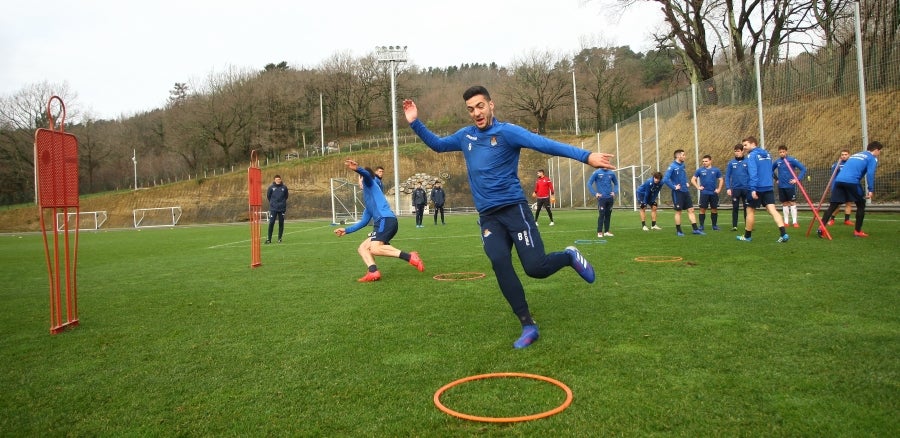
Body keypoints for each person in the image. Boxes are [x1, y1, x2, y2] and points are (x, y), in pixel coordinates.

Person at [403, 86, 610, 349]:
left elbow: (545, 145)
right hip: (488, 217)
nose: (476, 113)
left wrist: (586, 156)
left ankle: (569, 256)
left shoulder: (507, 132)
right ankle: (527, 324)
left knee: (535, 268)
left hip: (515, 210)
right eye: (470, 109)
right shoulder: (465, 136)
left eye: (480, 106)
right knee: (499, 262)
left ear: (491, 105)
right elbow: (438, 144)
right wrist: (415, 122)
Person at [333, 159, 425, 281]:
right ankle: (373, 272)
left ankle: (409, 257)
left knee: (375, 248)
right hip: (383, 223)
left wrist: (357, 169)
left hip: (385, 220)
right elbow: (364, 222)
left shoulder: (370, 183)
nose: (359, 181)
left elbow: (367, 175)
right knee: (363, 248)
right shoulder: (368, 199)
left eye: (359, 178)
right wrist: (346, 230)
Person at [818, 141, 883, 238]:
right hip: (852, 182)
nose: (880, 153)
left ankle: (821, 228)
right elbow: (870, 174)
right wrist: (870, 189)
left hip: (839, 181)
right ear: (876, 150)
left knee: (833, 206)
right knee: (861, 204)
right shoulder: (872, 158)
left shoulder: (856, 155)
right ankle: (857, 231)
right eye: (880, 151)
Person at [738, 136, 789, 243]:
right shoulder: (768, 154)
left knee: (750, 210)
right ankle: (784, 233)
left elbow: (753, 173)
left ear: (753, 144)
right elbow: (770, 170)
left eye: (745, 145)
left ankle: (747, 236)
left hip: (757, 187)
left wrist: (753, 189)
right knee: (772, 210)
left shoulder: (752, 155)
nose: (744, 148)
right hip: (768, 187)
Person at [662, 149, 704, 236]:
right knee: (678, 211)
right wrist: (674, 187)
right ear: (678, 156)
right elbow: (665, 179)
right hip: (678, 193)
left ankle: (695, 229)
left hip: (685, 191)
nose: (685, 156)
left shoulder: (683, 165)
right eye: (683, 155)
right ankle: (679, 231)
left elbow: (682, 175)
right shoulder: (672, 166)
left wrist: (686, 182)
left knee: (691, 210)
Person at [772, 145, 807, 228]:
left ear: (786, 152)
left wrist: (797, 179)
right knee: (784, 203)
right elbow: (771, 170)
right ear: (778, 153)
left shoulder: (791, 160)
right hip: (781, 186)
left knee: (792, 202)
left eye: (783, 152)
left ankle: (794, 222)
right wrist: (776, 179)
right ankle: (786, 222)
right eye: (780, 152)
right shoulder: (777, 162)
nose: (782, 153)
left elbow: (803, 169)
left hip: (790, 185)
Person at [690, 154, 724, 231]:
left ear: (710, 161)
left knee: (714, 209)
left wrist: (719, 189)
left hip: (713, 193)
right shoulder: (700, 170)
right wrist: (698, 187)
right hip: (704, 193)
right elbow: (692, 180)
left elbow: (721, 180)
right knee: (702, 209)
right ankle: (701, 226)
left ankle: (714, 226)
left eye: (706, 161)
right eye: (703, 161)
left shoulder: (716, 170)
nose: (704, 162)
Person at [587, 166, 619, 237]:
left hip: (610, 198)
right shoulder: (596, 173)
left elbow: (616, 184)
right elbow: (589, 183)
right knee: (602, 215)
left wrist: (614, 192)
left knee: (608, 215)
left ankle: (607, 231)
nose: (605, 166)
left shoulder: (612, 173)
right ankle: (599, 232)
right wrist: (595, 194)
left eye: (606, 163)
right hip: (601, 198)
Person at [725, 144, 750, 231]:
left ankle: (748, 226)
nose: (736, 153)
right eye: (735, 151)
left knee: (747, 208)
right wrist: (728, 188)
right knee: (735, 207)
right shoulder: (731, 163)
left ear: (742, 151)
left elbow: (751, 174)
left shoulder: (748, 161)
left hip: (746, 188)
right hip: (735, 189)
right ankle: (734, 226)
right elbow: (727, 176)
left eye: (738, 151)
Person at [828, 149, 855, 226]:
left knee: (849, 203)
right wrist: (833, 187)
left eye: (845, 154)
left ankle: (847, 220)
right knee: (836, 204)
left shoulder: (852, 164)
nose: (844, 156)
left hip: (848, 186)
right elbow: (833, 177)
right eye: (842, 154)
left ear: (849, 155)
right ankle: (832, 219)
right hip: (839, 187)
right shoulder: (837, 164)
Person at [265, 175, 288, 244]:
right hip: (273, 208)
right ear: (274, 180)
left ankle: (279, 238)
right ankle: (269, 239)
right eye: (277, 179)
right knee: (271, 223)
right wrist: (273, 203)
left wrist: (282, 203)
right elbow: (268, 196)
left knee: (281, 223)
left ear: (281, 180)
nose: (278, 180)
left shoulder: (284, 187)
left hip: (281, 208)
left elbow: (286, 196)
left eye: (279, 179)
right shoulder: (271, 187)